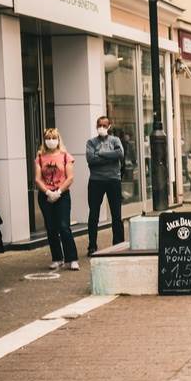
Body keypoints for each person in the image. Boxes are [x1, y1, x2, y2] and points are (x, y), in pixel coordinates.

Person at [35, 128, 79, 270]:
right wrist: (48, 192)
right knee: (51, 228)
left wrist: (58, 192)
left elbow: (70, 177)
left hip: (62, 194)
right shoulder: (40, 156)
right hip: (45, 195)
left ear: (58, 139)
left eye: (54, 138)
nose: (51, 141)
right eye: (48, 138)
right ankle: (57, 258)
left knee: (64, 226)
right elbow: (37, 179)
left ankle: (71, 258)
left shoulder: (65, 156)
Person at [85, 115, 125, 257]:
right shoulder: (91, 142)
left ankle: (119, 244)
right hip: (96, 181)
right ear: (96, 126)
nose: (101, 127)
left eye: (104, 125)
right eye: (99, 125)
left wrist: (100, 153)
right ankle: (92, 246)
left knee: (116, 214)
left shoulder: (115, 140)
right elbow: (91, 159)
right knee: (93, 214)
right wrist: (109, 157)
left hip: (113, 180)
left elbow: (119, 154)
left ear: (109, 126)